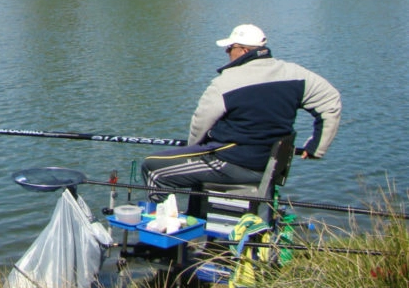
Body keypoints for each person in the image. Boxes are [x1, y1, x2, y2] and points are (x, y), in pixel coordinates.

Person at [141, 24, 341, 207]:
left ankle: (162, 236)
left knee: (153, 168)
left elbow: (200, 123)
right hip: (271, 163)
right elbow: (331, 102)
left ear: (244, 50)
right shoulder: (296, 74)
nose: (227, 52)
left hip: (232, 162)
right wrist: (316, 147)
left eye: (230, 48)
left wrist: (193, 148)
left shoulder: (227, 82)